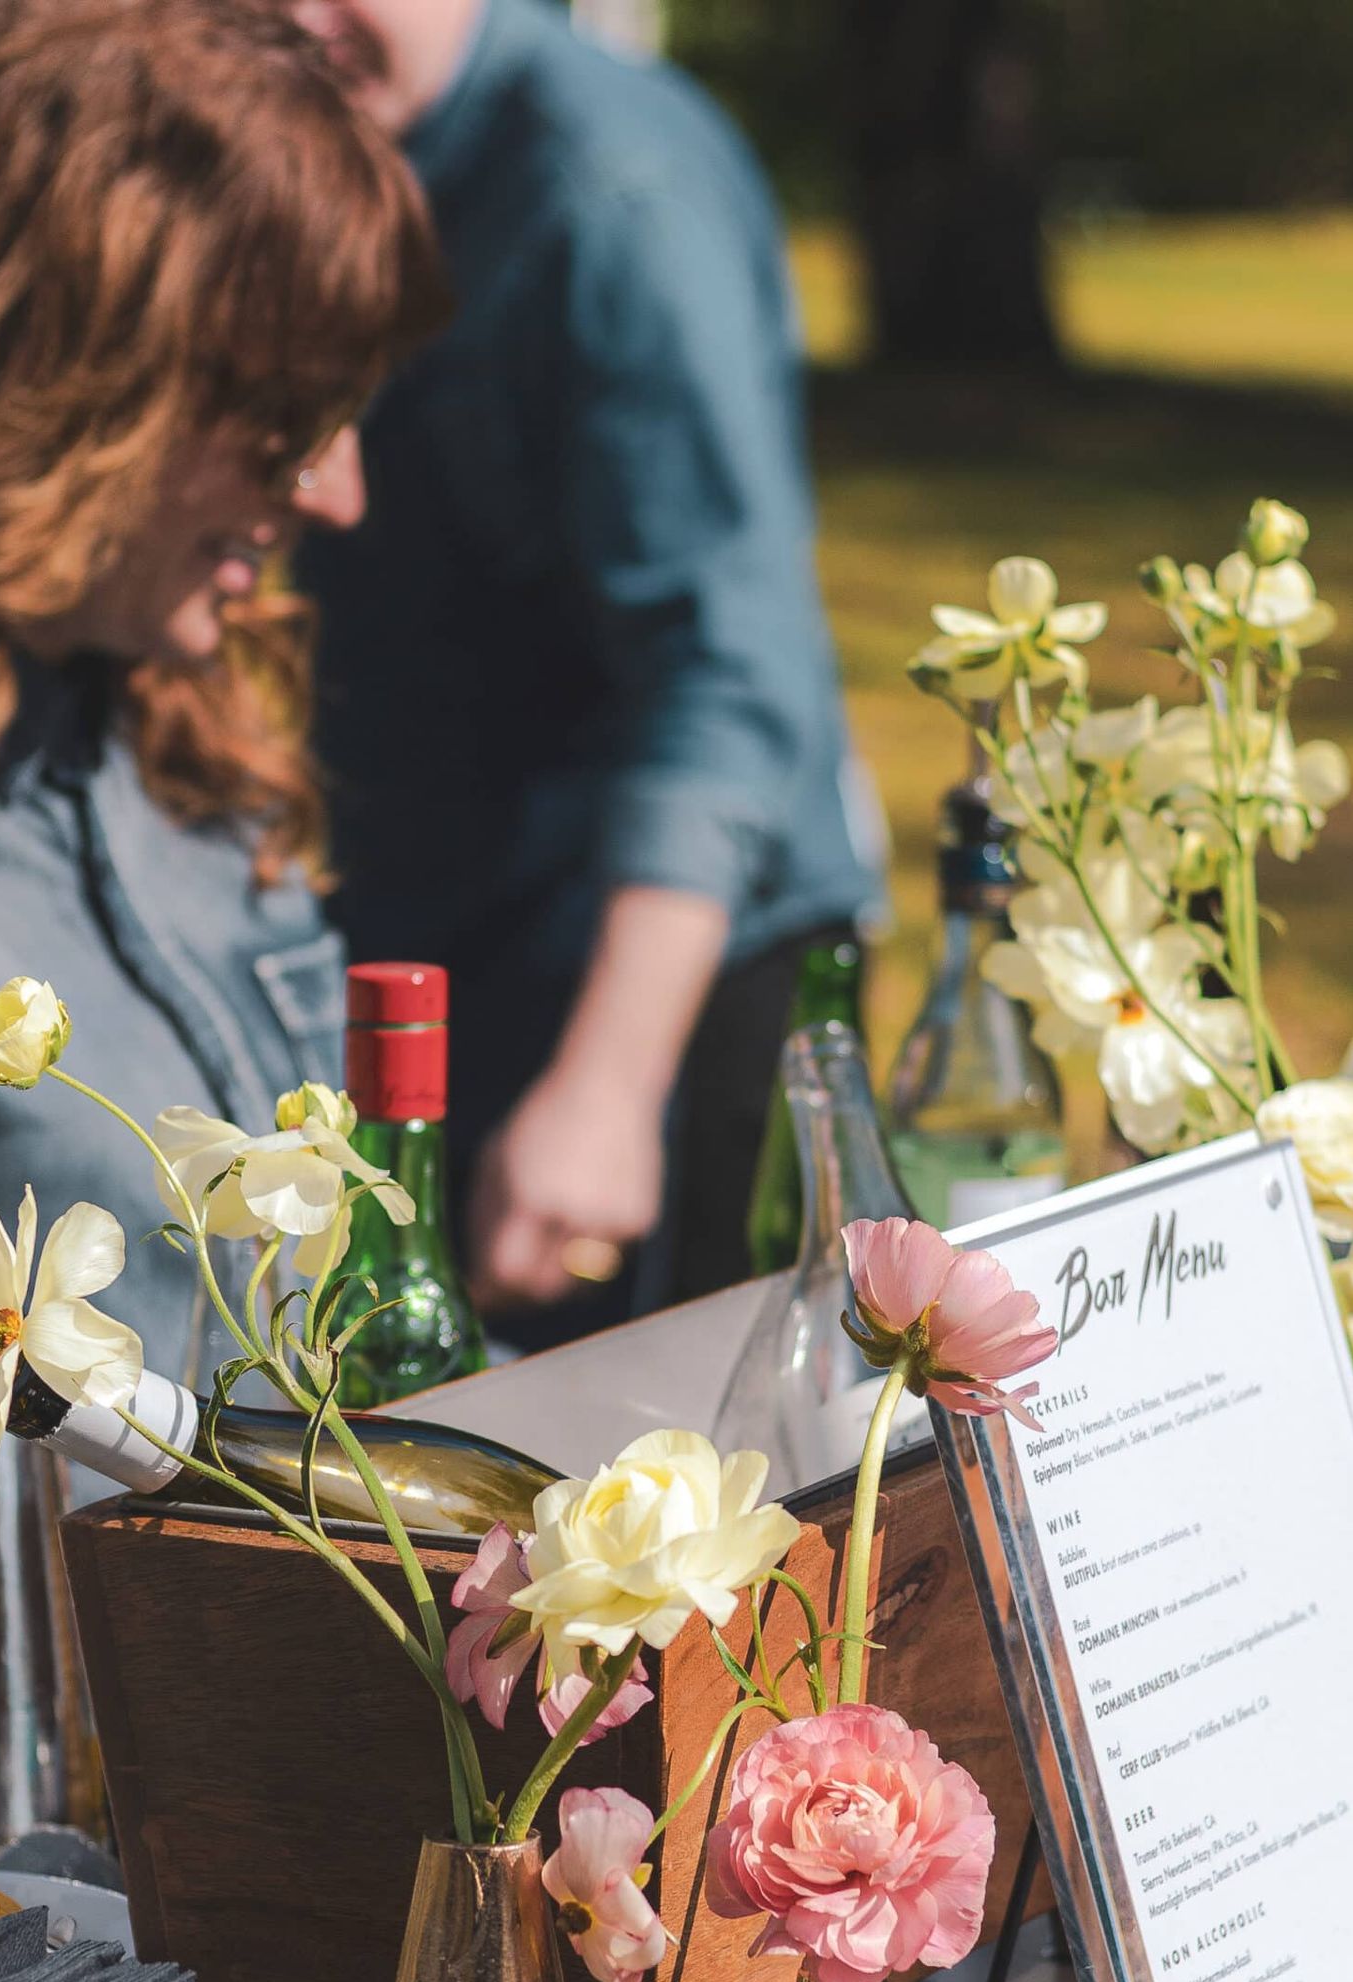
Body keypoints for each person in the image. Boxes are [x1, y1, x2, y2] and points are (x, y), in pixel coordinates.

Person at [0, 0, 446, 1720]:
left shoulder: (172, 730)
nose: (341, 496)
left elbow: (307, 1357)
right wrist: (336, 1617)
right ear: (52, 380)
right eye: (288, 418)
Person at [294, 0, 884, 1338]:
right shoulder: (343, 141)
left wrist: (608, 1085)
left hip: (666, 974)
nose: (289, 16)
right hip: (445, 918)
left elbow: (731, 669)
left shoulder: (611, 196)